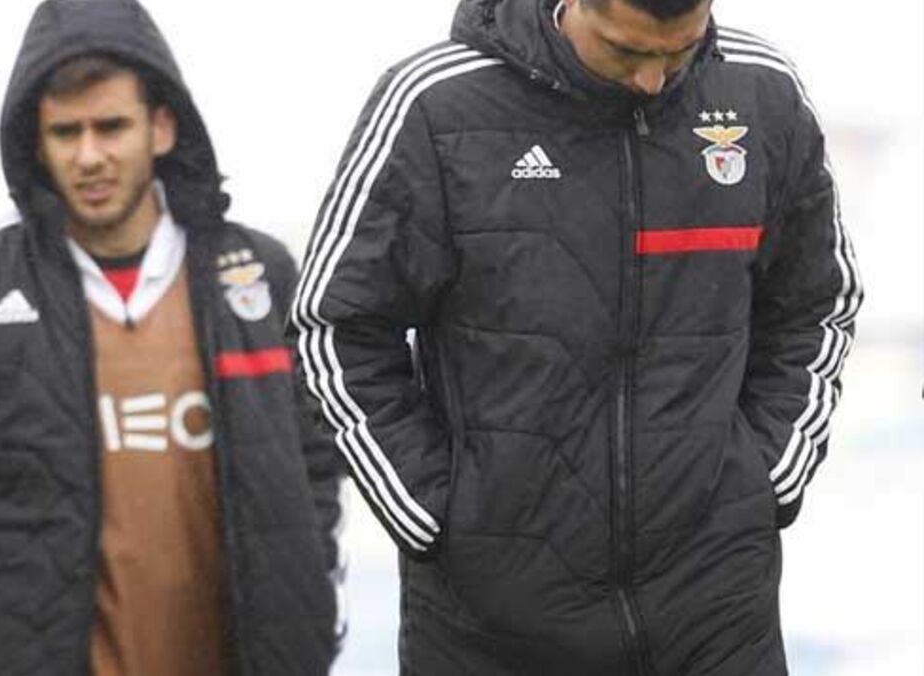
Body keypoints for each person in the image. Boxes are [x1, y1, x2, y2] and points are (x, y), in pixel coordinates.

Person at [290, 0, 861, 674]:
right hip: (489, 627)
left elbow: (816, 303)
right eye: (627, 51)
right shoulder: (436, 105)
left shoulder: (762, 91)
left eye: (678, 53)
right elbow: (336, 326)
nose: (653, 80)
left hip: (718, 617)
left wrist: (766, 478)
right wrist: (432, 516)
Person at [0, 1, 342, 674]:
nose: (89, 156)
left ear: (161, 127)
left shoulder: (260, 278)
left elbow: (317, 477)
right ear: (36, 143)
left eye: (111, 127)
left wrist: (315, 634)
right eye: (65, 132)